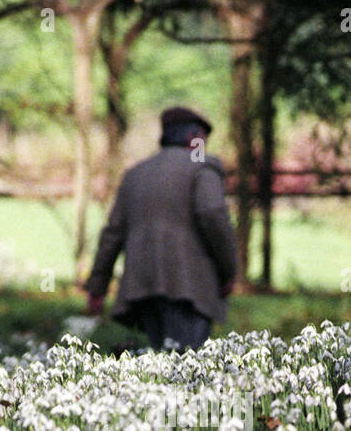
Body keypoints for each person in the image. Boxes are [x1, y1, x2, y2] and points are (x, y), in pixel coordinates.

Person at [82, 106, 239, 351]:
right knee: (186, 371)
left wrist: (97, 287)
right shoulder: (202, 168)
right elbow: (212, 215)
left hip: (141, 288)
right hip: (190, 289)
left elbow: (113, 233)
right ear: (194, 138)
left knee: (158, 367)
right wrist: (228, 271)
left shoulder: (135, 174)